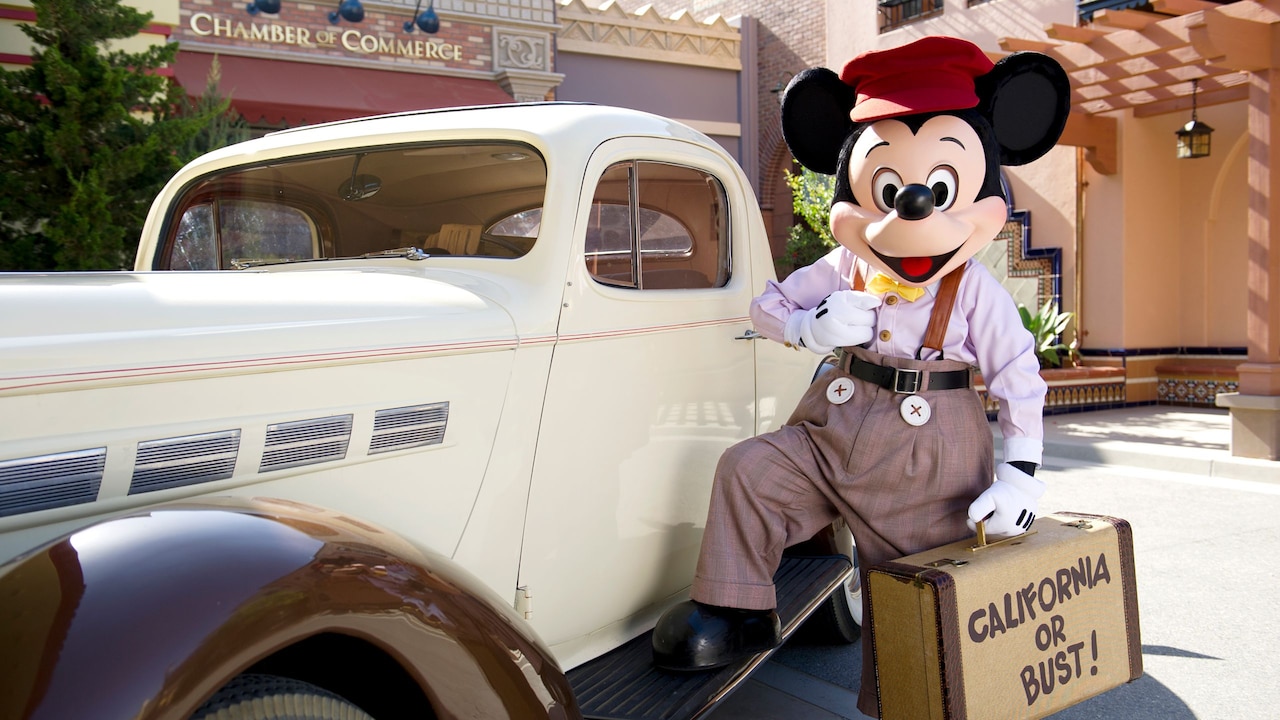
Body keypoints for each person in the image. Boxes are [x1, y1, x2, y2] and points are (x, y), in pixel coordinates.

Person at [651, 36, 1071, 718]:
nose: (909, 208)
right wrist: (810, 324)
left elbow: (1019, 373)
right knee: (751, 470)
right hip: (832, 424)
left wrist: (1020, 468)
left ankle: (922, 701)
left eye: (938, 189)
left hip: (929, 455)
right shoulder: (842, 268)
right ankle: (738, 609)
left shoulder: (973, 291)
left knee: (921, 595)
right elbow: (768, 306)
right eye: (887, 188)